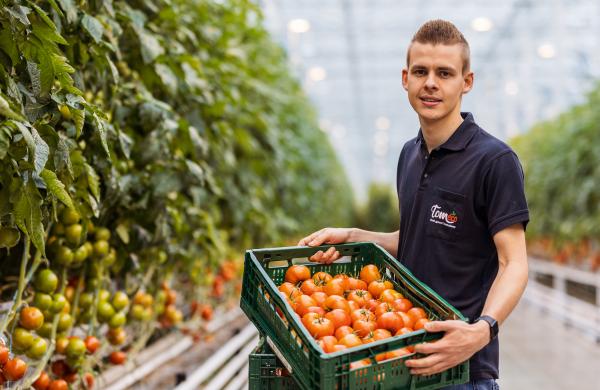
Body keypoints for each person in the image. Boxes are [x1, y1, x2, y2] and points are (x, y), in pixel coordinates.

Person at [298, 19, 529, 390]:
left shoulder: (493, 160)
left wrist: (481, 331)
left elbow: (513, 262)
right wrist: (354, 235)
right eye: (420, 71)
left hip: (461, 367)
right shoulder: (409, 154)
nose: (431, 83)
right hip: (404, 353)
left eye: (445, 73)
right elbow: (421, 236)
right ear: (405, 78)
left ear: (466, 82)